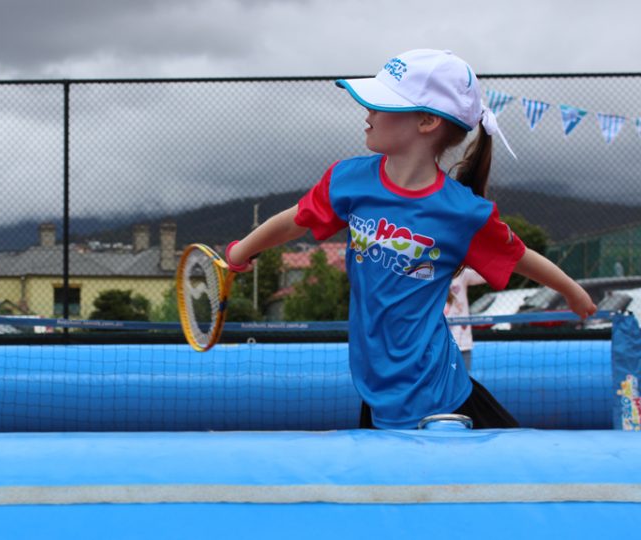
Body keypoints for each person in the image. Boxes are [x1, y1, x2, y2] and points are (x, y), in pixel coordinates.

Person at [223, 49, 596, 429]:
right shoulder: (349, 180)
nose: (367, 114)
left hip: (437, 394)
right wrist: (241, 251)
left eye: (381, 105)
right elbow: (295, 221)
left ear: (427, 120)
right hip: (377, 387)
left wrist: (571, 290)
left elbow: (519, 256)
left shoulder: (462, 213)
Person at [443, 267, 487, 371]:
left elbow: (486, 276)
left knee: (465, 379)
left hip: (463, 342)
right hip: (443, 343)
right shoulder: (433, 275)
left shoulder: (462, 274)